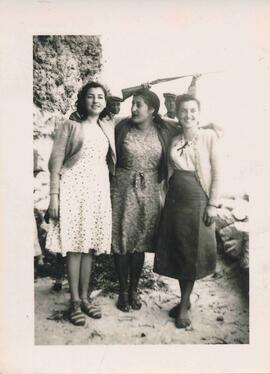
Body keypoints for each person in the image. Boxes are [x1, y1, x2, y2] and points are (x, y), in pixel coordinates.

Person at [45, 81, 116, 326]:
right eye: (90, 96)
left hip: (97, 191)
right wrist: (54, 197)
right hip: (73, 190)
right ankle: (74, 301)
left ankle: (86, 297)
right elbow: (55, 164)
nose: (96, 101)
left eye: (100, 97)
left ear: (106, 102)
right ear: (82, 100)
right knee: (74, 247)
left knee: (89, 247)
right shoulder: (69, 126)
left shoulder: (108, 126)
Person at [154, 94, 220, 329]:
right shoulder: (174, 138)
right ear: (177, 114)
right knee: (180, 250)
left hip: (197, 200)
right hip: (175, 201)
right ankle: (185, 299)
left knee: (192, 252)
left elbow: (218, 172)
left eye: (193, 111)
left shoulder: (209, 136)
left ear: (199, 113)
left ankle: (183, 305)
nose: (188, 115)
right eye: (184, 111)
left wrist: (213, 204)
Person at [111, 88, 174, 312]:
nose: (133, 108)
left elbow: (185, 124)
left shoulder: (162, 129)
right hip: (122, 188)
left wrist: (211, 127)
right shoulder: (122, 126)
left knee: (139, 242)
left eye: (139, 105)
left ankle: (134, 289)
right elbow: (106, 109)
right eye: (133, 104)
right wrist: (132, 91)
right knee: (122, 239)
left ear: (152, 110)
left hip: (149, 191)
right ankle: (122, 290)